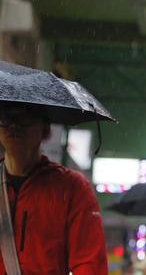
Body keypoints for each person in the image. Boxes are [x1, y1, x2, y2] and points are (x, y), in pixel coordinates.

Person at [0, 102, 108, 274]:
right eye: (5, 118)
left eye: (25, 117)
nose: (14, 125)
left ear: (46, 129)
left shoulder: (72, 188)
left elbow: (89, 265)